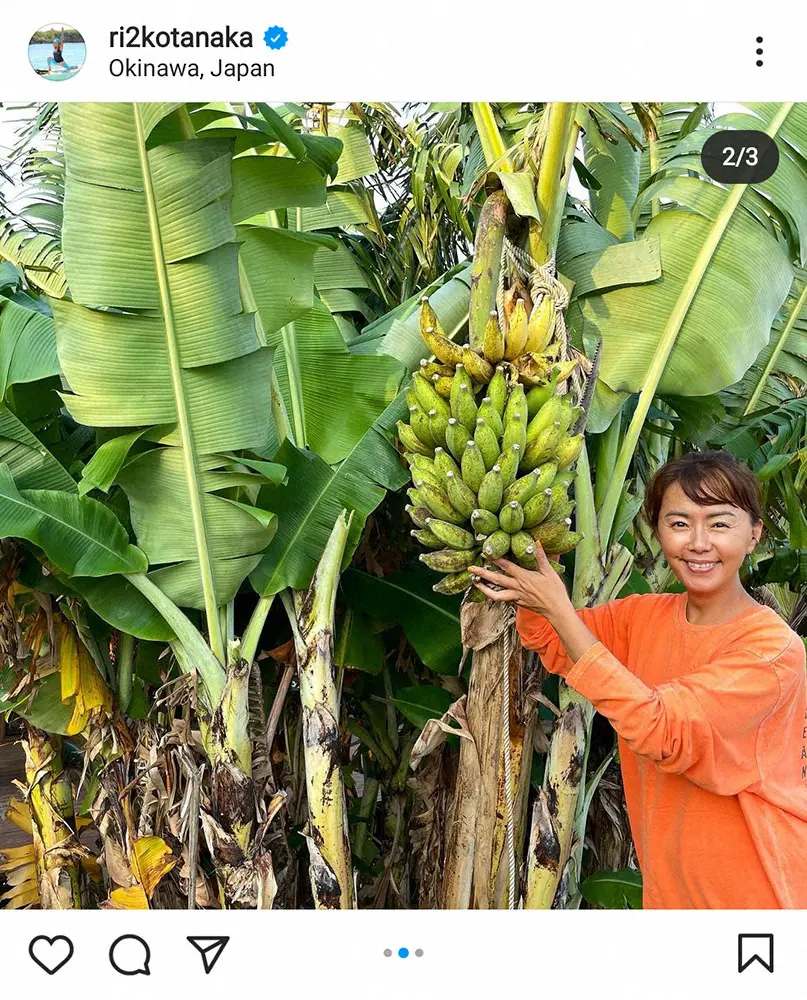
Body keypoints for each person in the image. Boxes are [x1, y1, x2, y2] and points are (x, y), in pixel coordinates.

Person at [469, 449, 807, 909]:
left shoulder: (772, 651)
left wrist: (556, 606)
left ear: (754, 535)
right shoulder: (643, 616)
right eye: (680, 523)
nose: (699, 542)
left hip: (756, 893)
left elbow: (663, 730)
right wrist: (523, 565)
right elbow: (553, 637)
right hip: (670, 895)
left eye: (720, 523)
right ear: (659, 531)